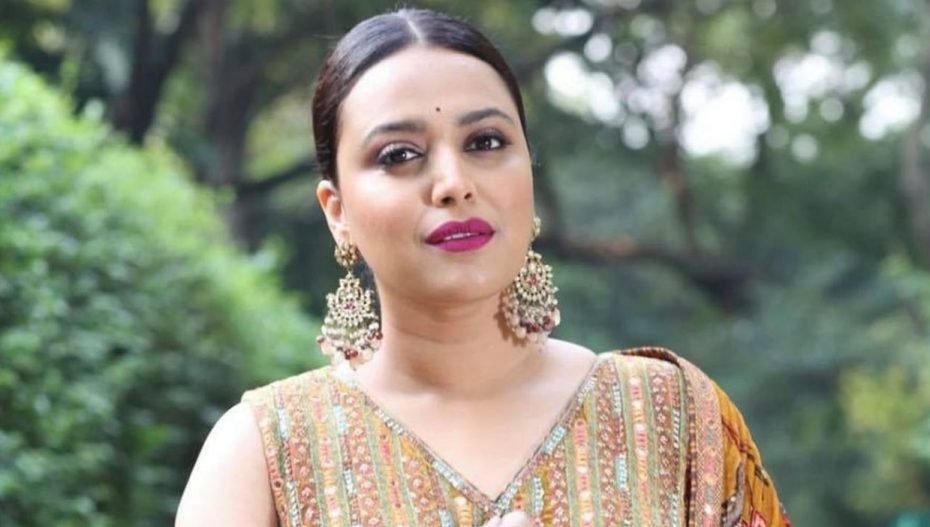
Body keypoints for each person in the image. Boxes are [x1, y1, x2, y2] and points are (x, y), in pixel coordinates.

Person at [176, 8, 790, 527]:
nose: (454, 183)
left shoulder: (669, 415)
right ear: (337, 212)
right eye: (399, 155)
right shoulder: (264, 453)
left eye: (486, 143)